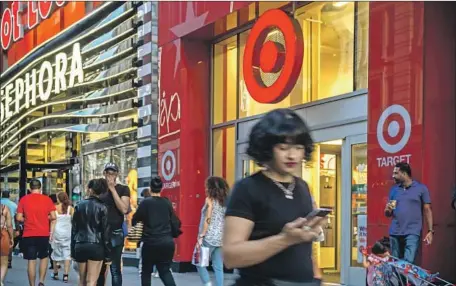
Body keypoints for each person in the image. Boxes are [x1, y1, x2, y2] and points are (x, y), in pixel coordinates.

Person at [223, 108, 326, 285]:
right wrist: (285, 239)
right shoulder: (247, 188)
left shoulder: (303, 187)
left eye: (298, 147)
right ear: (267, 148)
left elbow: (306, 250)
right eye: (283, 148)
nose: (292, 155)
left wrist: (317, 277)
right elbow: (231, 256)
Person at [384, 162, 434, 264]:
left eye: (396, 173)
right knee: (395, 264)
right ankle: (399, 280)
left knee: (407, 263)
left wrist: (430, 231)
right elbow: (389, 212)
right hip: (395, 232)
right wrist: (387, 210)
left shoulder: (421, 189)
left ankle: (405, 279)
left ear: (404, 173)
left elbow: (427, 210)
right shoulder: (394, 190)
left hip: (412, 232)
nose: (393, 176)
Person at [132, 176, 177, 286]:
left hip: (150, 242)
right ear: (161, 189)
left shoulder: (145, 203)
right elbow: (174, 222)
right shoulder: (167, 203)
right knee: (165, 271)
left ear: (150, 188)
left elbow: (135, 220)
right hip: (166, 242)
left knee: (146, 272)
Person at [16, 179, 57, 286]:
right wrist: (44, 217)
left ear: (30, 189)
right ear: (40, 188)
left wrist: (27, 219)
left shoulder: (24, 199)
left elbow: (19, 217)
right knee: (44, 257)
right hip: (43, 234)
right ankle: (41, 281)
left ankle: (32, 285)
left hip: (29, 234)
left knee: (31, 260)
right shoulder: (47, 199)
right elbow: (53, 216)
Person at [72, 179, 112, 286]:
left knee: (82, 280)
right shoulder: (103, 207)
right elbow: (106, 233)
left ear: (90, 189)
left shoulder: (79, 205)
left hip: (80, 244)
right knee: (92, 281)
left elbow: (74, 230)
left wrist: (73, 251)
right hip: (96, 245)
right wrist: (108, 255)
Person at [97, 163, 131, 286]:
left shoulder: (123, 189)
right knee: (100, 269)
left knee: (115, 269)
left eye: (112, 173)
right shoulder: (100, 189)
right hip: (101, 233)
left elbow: (123, 209)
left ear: (117, 174)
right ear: (104, 174)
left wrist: (112, 189)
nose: (110, 176)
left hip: (116, 232)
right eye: (108, 173)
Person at [196, 176, 229, 286]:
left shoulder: (209, 200)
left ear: (211, 188)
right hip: (221, 238)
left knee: (199, 263)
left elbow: (207, 219)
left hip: (208, 238)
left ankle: (207, 284)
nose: (205, 189)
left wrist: (201, 235)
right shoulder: (225, 202)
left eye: (207, 187)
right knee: (218, 267)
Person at [51, 191, 74, 282]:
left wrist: (51, 234)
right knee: (67, 254)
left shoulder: (54, 208)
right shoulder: (71, 209)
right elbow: (74, 221)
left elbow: (53, 222)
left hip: (57, 232)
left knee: (55, 253)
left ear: (58, 199)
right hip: (68, 233)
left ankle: (55, 273)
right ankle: (65, 275)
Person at [1, 190, 17, 269]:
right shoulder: (14, 205)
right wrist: (17, 229)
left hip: (1, 226)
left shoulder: (1, 204)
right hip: (11, 226)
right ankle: (9, 261)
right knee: (9, 244)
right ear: (9, 196)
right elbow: (16, 217)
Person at [1, 199, 14, 286]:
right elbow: (9, 226)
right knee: (4, 261)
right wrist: (11, 238)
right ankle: (0, 280)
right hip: (3, 234)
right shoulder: (4, 208)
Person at [48, 194, 58, 270]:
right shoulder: (62, 207)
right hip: (61, 229)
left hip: (51, 229)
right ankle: (58, 262)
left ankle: (53, 263)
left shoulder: (50, 208)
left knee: (51, 247)